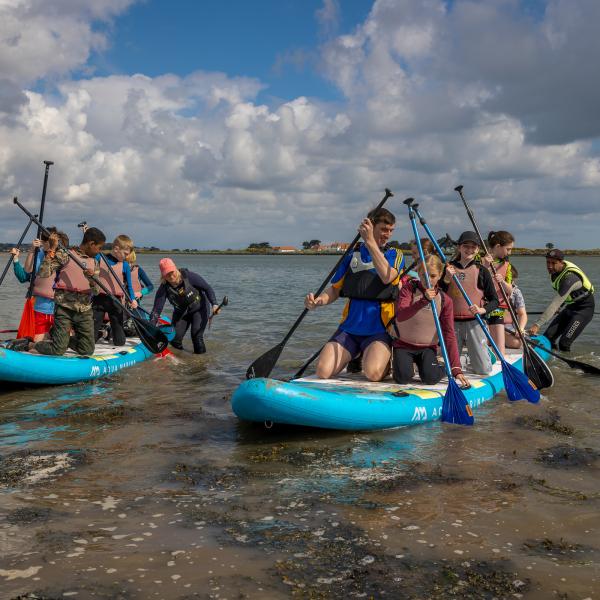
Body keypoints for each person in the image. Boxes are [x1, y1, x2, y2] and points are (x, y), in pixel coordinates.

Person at [304, 207, 404, 381]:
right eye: (383, 229)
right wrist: (318, 301)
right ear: (371, 226)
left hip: (379, 329)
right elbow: (335, 289)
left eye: (391, 231)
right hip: (350, 329)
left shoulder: (395, 254)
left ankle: (383, 360)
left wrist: (371, 242)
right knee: (323, 372)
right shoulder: (352, 254)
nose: (387, 234)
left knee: (372, 374)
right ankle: (356, 355)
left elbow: (387, 277)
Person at [11, 227, 106, 355]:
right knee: (58, 350)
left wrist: (92, 279)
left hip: (84, 311)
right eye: (99, 248)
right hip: (64, 309)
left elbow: (95, 291)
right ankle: (30, 344)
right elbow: (44, 273)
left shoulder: (94, 262)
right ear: (91, 244)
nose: (100, 251)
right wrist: (51, 250)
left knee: (88, 350)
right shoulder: (66, 254)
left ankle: (60, 339)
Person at [390, 254, 470, 387]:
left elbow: (449, 334)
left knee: (430, 379)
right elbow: (401, 315)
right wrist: (423, 301)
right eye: (423, 275)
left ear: (440, 275)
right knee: (402, 378)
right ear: (418, 274)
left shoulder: (445, 300)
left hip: (427, 348)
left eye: (432, 276)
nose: (428, 279)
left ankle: (444, 367)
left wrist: (456, 369)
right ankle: (404, 366)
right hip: (403, 345)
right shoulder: (408, 289)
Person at [440, 231, 499, 375]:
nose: (469, 250)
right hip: (451, 322)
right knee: (450, 369)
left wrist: (482, 310)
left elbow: (494, 301)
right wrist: (447, 278)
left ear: (478, 249)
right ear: (459, 247)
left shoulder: (482, 270)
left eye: (473, 247)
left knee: (483, 370)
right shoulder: (448, 268)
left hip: (475, 322)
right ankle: (464, 359)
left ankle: (474, 358)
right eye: (466, 246)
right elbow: (439, 292)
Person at [528, 249, 594, 351]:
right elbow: (566, 296)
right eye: (548, 262)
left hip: (584, 310)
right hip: (570, 307)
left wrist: (537, 324)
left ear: (561, 263)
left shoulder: (570, 279)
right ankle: (554, 364)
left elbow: (554, 304)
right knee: (547, 338)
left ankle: (567, 366)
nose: (549, 266)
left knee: (564, 343)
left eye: (553, 263)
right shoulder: (555, 272)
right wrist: (561, 306)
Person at [150, 258, 220, 354]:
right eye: (167, 274)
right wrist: (151, 328)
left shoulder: (190, 277)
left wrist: (214, 304)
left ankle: (201, 364)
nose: (171, 276)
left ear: (176, 269)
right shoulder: (163, 288)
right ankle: (181, 362)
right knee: (175, 339)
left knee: (196, 336)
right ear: (163, 276)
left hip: (199, 308)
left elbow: (207, 288)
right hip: (181, 312)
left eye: (172, 272)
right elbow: (156, 310)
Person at [10, 228, 69, 341]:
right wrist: (30, 251)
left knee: (61, 338)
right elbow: (25, 274)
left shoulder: (63, 256)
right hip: (40, 305)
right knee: (39, 340)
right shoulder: (39, 253)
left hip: (59, 307)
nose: (42, 244)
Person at [93, 234, 137, 346]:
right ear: (116, 249)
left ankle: (107, 332)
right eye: (125, 254)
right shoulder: (100, 257)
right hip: (99, 300)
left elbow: (129, 286)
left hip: (115, 302)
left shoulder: (125, 265)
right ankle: (98, 334)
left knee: (120, 342)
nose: (126, 256)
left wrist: (133, 299)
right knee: (91, 339)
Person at [481, 230, 514, 357]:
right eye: (508, 249)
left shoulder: (507, 265)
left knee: (500, 351)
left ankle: (500, 362)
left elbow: (510, 290)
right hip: (481, 308)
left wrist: (503, 282)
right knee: (482, 345)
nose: (509, 253)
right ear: (498, 247)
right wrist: (484, 265)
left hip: (497, 308)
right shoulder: (480, 259)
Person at [504, 265, 527, 349]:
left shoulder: (516, 292)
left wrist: (520, 329)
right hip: (491, 324)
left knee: (516, 343)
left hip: (507, 326)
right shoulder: (489, 289)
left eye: (513, 281)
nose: (512, 283)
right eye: (510, 280)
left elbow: (522, 314)